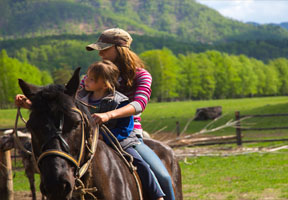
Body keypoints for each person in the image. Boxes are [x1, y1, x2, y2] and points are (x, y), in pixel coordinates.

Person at [15, 60, 165, 200]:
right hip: (92, 141)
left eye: (91, 79)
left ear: (105, 84)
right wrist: (30, 104)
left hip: (121, 141)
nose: (85, 80)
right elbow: (59, 112)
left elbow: (126, 129)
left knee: (140, 164)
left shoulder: (119, 101)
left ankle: (157, 195)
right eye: (87, 77)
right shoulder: (81, 99)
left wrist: (104, 137)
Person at [84, 28, 175, 200]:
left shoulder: (142, 75)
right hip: (93, 136)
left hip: (127, 136)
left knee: (163, 177)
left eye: (105, 48)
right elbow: (72, 96)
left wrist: (109, 115)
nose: (100, 53)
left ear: (120, 48)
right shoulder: (94, 75)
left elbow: (139, 104)